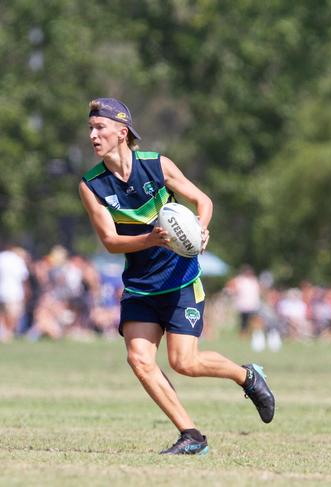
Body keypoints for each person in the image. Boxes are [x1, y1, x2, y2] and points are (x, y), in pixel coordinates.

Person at [79, 98, 274, 455]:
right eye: (91, 128)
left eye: (100, 128)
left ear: (122, 133)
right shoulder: (92, 185)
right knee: (139, 360)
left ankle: (247, 376)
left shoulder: (157, 165)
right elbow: (110, 242)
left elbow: (203, 201)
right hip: (140, 287)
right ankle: (192, 436)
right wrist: (149, 239)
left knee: (185, 362)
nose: (93, 135)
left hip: (181, 280)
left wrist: (200, 229)